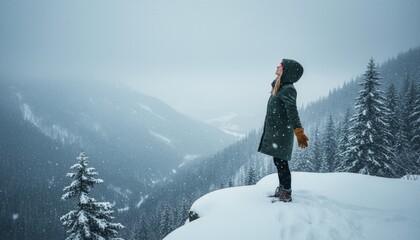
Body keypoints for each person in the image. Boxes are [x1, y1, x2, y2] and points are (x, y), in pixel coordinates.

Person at [258, 59, 309, 202]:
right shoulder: (280, 87)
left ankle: (286, 193)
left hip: (281, 134)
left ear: (286, 70)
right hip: (277, 132)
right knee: (278, 161)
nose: (277, 66)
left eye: (280, 65)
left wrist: (299, 131)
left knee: (281, 163)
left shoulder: (288, 89)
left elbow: (292, 112)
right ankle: (282, 189)